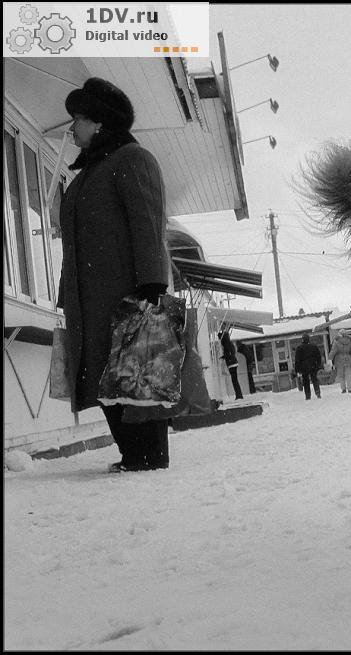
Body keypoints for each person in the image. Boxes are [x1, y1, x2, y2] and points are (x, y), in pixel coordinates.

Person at [58, 77, 170, 472]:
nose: (72, 127)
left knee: (136, 375)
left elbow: (148, 222)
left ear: (101, 123)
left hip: (125, 295)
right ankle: (131, 453)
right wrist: (64, 293)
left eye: (78, 119)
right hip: (88, 301)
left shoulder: (131, 160)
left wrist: (152, 285)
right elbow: (74, 245)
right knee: (102, 377)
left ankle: (149, 455)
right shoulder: (90, 173)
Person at [294, 334, 323, 399]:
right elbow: (318, 356)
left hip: (304, 367)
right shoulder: (314, 346)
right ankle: (318, 393)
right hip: (313, 365)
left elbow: (297, 360)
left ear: (302, 339)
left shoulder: (299, 348)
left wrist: (297, 370)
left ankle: (308, 395)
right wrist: (318, 365)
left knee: (306, 381)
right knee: (314, 379)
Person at [329, 329, 351, 393]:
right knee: (348, 375)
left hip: (339, 360)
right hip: (348, 359)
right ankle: (350, 389)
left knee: (341, 376)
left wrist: (330, 358)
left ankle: (343, 389)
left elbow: (333, 351)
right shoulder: (349, 341)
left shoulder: (336, 341)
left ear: (339, 334)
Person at [218, 330, 244, 400]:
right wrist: (224, 357)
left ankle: (239, 395)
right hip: (234, 362)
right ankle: (239, 394)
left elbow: (228, 354)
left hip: (231, 363)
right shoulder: (230, 343)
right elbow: (231, 352)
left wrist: (225, 357)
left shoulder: (226, 344)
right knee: (235, 380)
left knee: (234, 380)